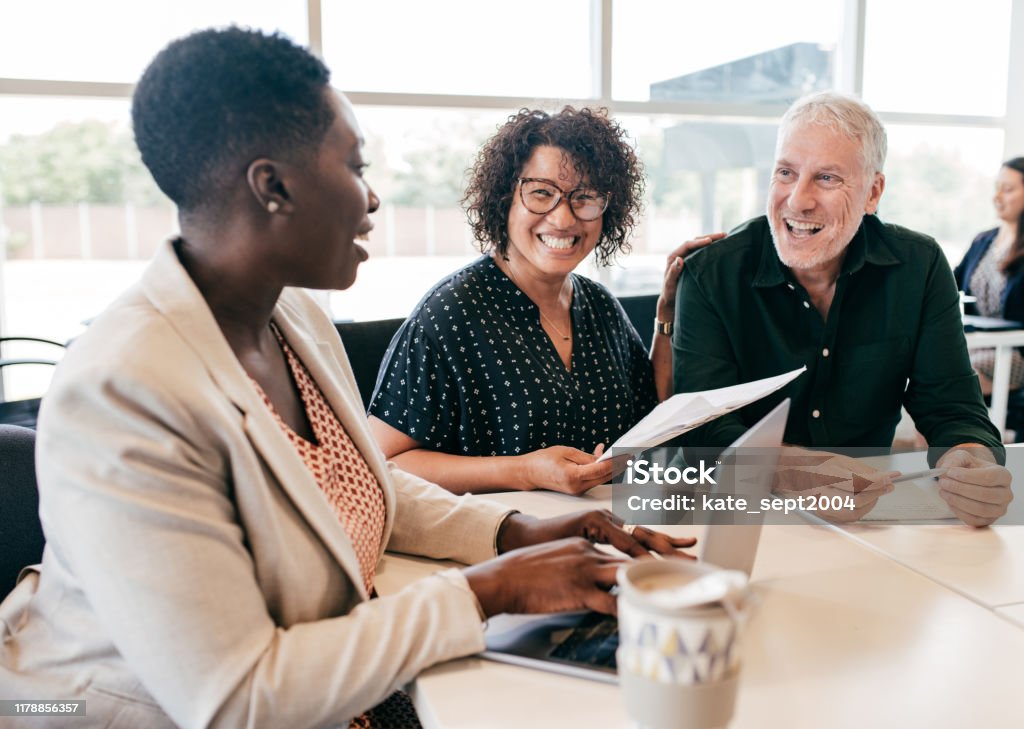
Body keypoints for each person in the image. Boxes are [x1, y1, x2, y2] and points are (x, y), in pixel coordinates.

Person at [0, 28, 696, 729]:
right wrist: (488, 591)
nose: (373, 200)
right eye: (355, 166)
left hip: (345, 686)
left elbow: (356, 478)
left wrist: (517, 533)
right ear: (273, 185)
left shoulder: (292, 315)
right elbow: (236, 698)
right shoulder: (122, 389)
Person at [673, 91, 1013, 527]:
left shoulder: (920, 266)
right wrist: (792, 471)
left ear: (873, 192)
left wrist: (973, 463)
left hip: (870, 520)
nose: (797, 200)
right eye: (785, 172)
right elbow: (702, 433)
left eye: (827, 178)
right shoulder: (711, 274)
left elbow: (952, 409)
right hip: (739, 515)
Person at [368, 107, 719, 495]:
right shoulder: (450, 313)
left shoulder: (599, 305)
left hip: (605, 528)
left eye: (584, 197)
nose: (564, 219)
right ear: (504, 199)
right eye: (542, 193)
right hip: (502, 540)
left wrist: (667, 315)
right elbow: (385, 462)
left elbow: (653, 414)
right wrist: (525, 471)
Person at [954, 157, 1024, 395]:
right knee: (927, 370)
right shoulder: (984, 240)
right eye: (997, 188)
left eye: (1008, 189)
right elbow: (948, 284)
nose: (997, 197)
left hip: (1015, 351)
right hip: (979, 343)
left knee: (955, 378)